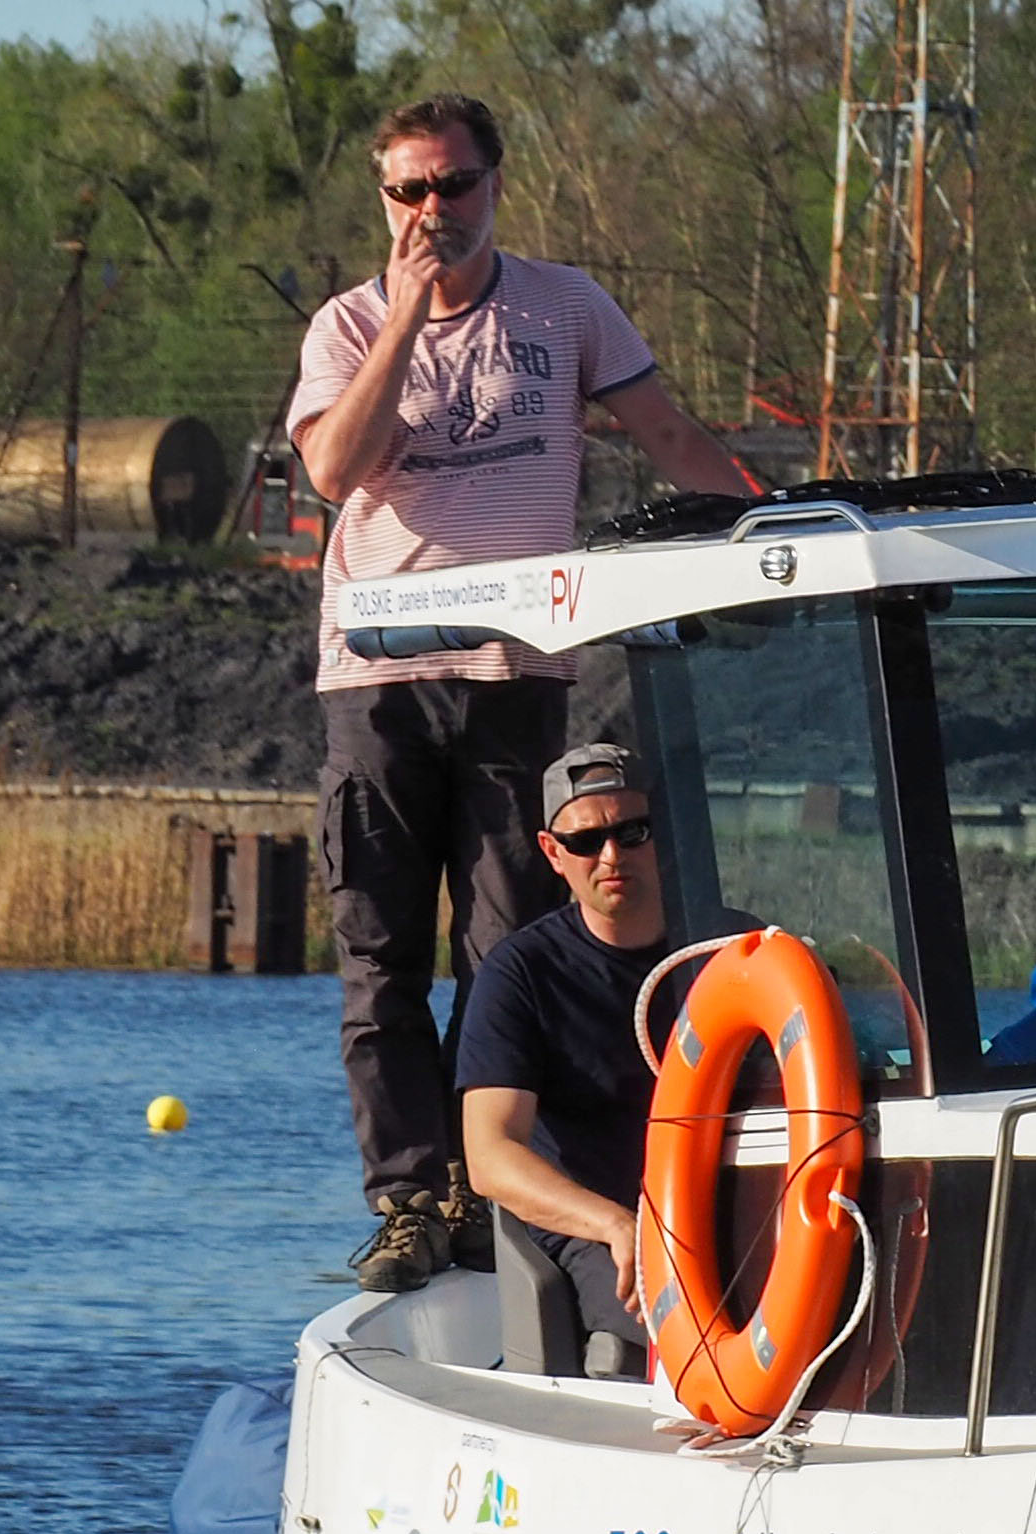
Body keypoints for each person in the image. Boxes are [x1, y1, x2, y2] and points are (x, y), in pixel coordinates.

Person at [292, 94, 756, 1292]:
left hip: (514, 676)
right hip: (382, 680)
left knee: (506, 947)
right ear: (383, 202)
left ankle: (484, 1182)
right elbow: (335, 470)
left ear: (496, 185)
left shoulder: (566, 306)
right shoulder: (349, 324)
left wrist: (773, 528)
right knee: (379, 954)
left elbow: (665, 433)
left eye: (454, 186)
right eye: (409, 192)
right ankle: (408, 1201)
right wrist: (406, 316)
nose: (433, 211)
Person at [454, 743, 681, 1378]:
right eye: (586, 842)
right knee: (669, 1323)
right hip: (598, 1222)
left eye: (631, 832)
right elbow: (490, 1155)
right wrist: (616, 1224)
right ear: (554, 853)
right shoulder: (520, 974)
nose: (612, 856)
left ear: (662, 834)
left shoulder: (735, 948)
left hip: (731, 1209)